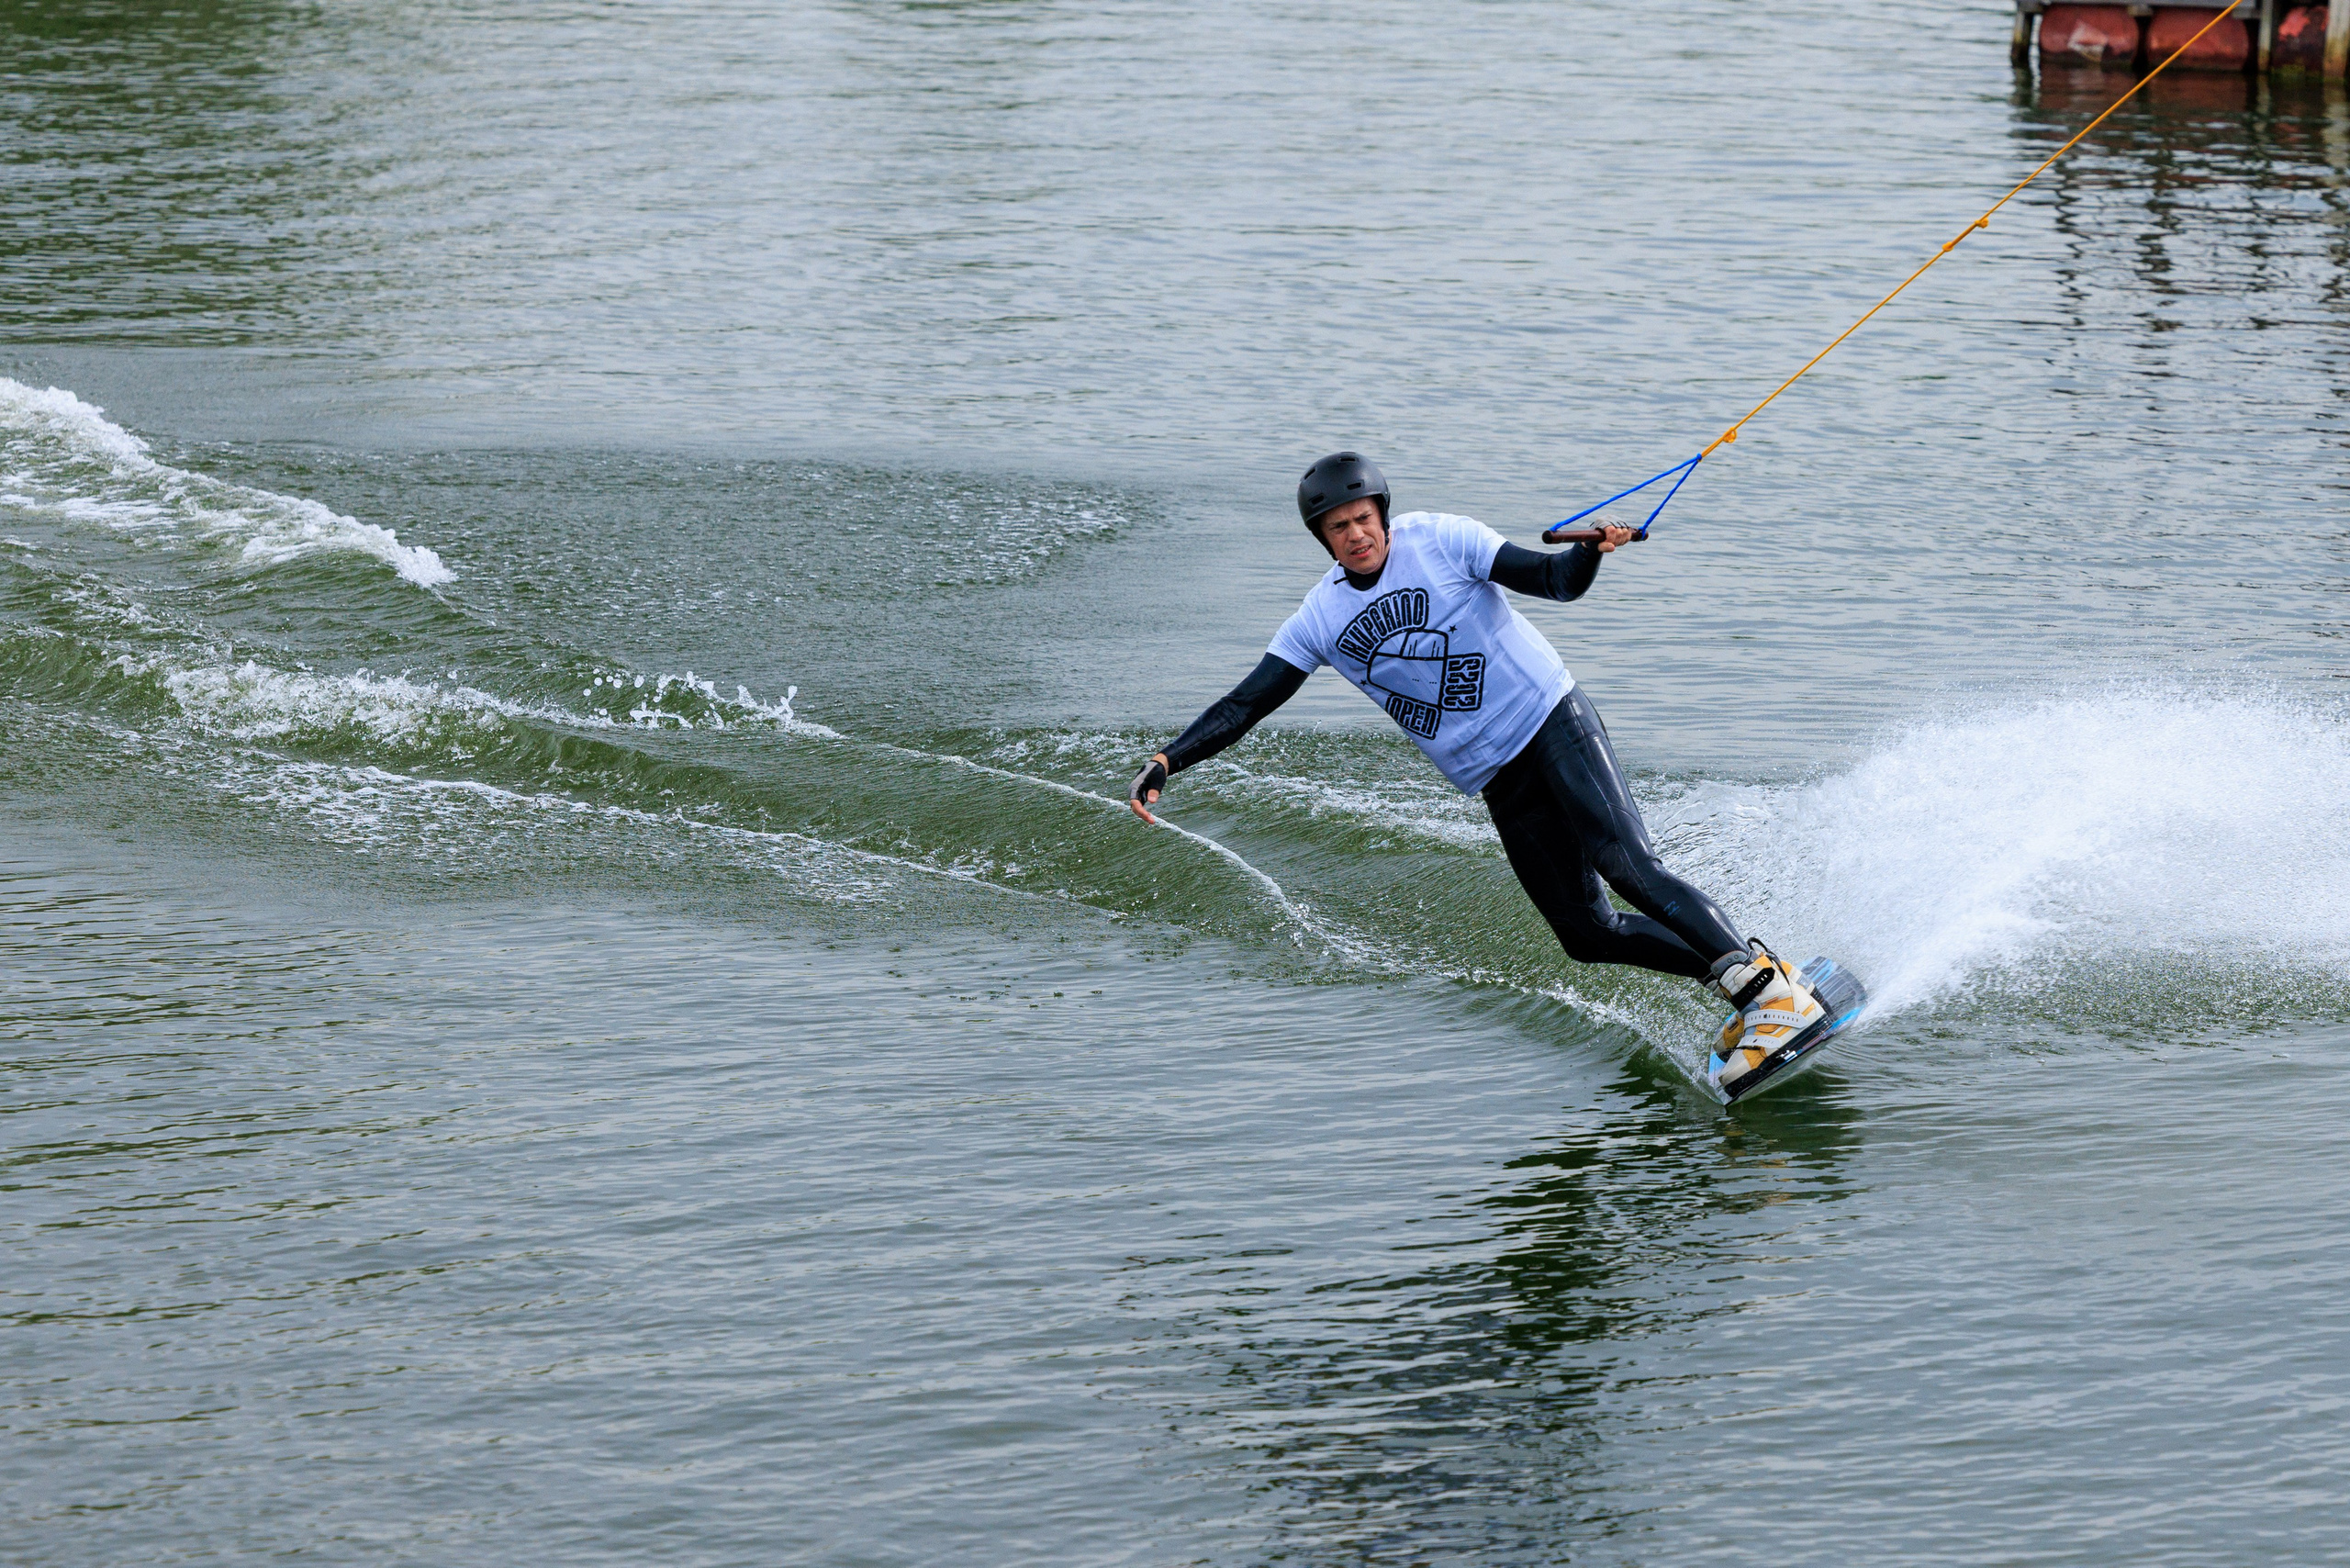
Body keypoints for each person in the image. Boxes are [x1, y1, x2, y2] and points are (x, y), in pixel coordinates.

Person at [1125, 451, 1824, 1092]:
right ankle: (1747, 974)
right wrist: (1167, 760)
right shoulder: (1320, 618)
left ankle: (1768, 996)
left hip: (1551, 720)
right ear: (1323, 538)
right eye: (1338, 527)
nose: (1356, 535)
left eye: (1364, 519)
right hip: (1498, 774)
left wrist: (1589, 554)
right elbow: (1248, 701)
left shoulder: (1441, 539)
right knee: (1585, 934)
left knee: (1626, 863)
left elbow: (1553, 579)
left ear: (1383, 516)